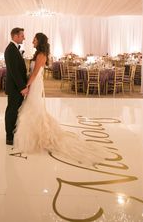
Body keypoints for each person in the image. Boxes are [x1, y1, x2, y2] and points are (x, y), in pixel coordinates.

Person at [13, 33, 106, 166]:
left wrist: (27, 85)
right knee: (33, 107)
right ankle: (35, 136)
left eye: (34, 40)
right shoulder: (38, 54)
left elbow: (35, 73)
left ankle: (37, 138)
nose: (32, 41)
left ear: (39, 41)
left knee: (33, 107)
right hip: (35, 83)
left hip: (35, 84)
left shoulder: (41, 55)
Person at [4, 27, 28, 145]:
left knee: (15, 110)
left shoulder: (14, 49)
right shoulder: (10, 50)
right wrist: (22, 87)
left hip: (16, 87)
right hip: (15, 88)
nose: (24, 38)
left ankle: (13, 133)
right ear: (15, 36)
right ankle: (9, 136)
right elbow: (14, 72)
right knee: (11, 111)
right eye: (22, 36)